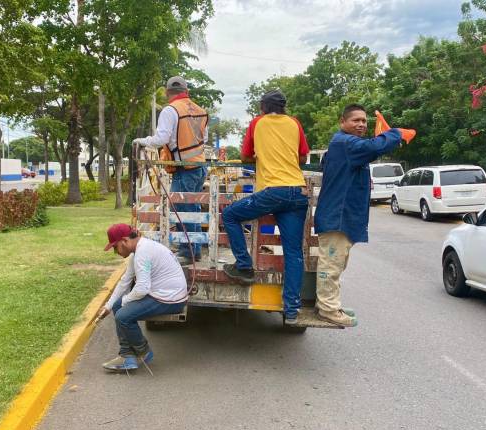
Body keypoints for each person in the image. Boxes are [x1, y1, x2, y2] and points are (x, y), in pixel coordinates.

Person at [221, 90, 310, 326]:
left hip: (273, 191)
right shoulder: (295, 123)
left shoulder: (257, 123)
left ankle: (244, 266)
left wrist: (262, 156)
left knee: (230, 215)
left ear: (263, 107)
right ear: (283, 108)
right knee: (293, 253)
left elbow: (245, 156)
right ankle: (291, 311)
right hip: (298, 191)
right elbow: (302, 157)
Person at [313, 104, 404, 327]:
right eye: (356, 120)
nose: (362, 124)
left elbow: (370, 149)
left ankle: (327, 304)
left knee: (336, 263)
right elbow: (375, 146)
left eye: (364, 121)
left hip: (341, 216)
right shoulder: (345, 143)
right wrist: (396, 133)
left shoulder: (348, 146)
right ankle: (328, 309)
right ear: (342, 122)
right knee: (331, 265)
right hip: (337, 217)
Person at [132, 76, 209, 265]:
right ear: (186, 91)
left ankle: (188, 251)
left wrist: (142, 141)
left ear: (167, 92)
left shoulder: (170, 110)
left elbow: (161, 138)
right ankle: (194, 248)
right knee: (193, 207)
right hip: (199, 166)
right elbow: (203, 139)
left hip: (183, 168)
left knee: (183, 209)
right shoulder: (200, 111)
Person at [96, 223, 188, 371]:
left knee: (122, 316)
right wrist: (108, 305)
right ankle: (127, 356)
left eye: (115, 247)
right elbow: (124, 281)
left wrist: (124, 302)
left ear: (125, 240)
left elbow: (142, 289)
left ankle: (143, 352)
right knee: (118, 306)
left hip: (170, 298)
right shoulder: (138, 251)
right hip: (163, 293)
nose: (115, 252)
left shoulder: (142, 253)